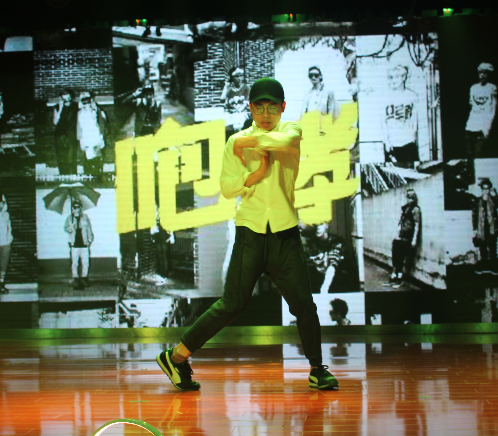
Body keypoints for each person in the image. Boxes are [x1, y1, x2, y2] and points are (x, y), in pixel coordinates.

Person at [156, 77, 338, 391]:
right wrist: (255, 174)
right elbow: (228, 188)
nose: (265, 113)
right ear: (251, 108)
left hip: (284, 236)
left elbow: (279, 142)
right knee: (231, 304)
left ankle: (316, 369)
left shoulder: (292, 131)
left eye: (272, 107)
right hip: (250, 234)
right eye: (259, 107)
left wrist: (247, 143)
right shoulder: (235, 143)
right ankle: (176, 357)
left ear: (283, 107)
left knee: (304, 305)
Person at [381, 64, 420, 167]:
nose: (393, 80)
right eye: (391, 77)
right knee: (394, 170)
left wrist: (413, 136)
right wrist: (386, 142)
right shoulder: (386, 97)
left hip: (408, 141)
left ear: (404, 77)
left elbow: (414, 119)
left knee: (411, 168)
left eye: (397, 77)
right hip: (392, 142)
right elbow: (383, 121)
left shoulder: (412, 96)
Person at [465, 63, 497, 159]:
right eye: (480, 73)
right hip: (472, 124)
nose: (482, 75)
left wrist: (487, 127)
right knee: (470, 151)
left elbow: (493, 107)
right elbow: (471, 104)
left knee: (479, 152)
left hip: (483, 123)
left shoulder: (492, 88)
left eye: (485, 73)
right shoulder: (473, 88)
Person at [389, 188, 421, 285]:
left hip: (408, 235)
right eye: (409, 197)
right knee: (395, 250)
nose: (410, 199)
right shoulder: (405, 208)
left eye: (412, 197)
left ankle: (399, 274)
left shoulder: (415, 209)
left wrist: (414, 239)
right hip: (401, 234)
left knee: (401, 253)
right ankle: (395, 272)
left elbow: (417, 225)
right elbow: (401, 221)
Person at [473, 178, 498, 263]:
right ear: (481, 189)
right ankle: (485, 265)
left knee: (493, 247)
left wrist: (495, 195)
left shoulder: (493, 200)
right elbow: (474, 216)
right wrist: (475, 229)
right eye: (484, 188)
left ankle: (494, 265)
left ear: (490, 189)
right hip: (481, 228)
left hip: (492, 227)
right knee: (482, 248)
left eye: (487, 188)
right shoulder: (478, 201)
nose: (486, 191)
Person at [65, 200, 94, 290]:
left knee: (86, 263)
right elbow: (66, 228)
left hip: (84, 244)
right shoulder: (69, 218)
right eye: (74, 207)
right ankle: (76, 279)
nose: (76, 209)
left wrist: (89, 240)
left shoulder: (85, 217)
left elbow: (89, 229)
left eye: (78, 207)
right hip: (74, 245)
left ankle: (84, 278)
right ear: (72, 208)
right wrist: (71, 227)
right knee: (74, 263)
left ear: (80, 208)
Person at [77, 92, 107, 176]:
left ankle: (98, 174)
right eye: (84, 103)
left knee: (97, 156)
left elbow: (102, 124)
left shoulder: (96, 112)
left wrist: (101, 137)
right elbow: (79, 127)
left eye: (88, 102)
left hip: (96, 137)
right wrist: (81, 139)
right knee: (88, 157)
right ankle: (88, 174)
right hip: (86, 137)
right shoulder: (80, 113)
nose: (86, 105)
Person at [53, 90, 79, 175]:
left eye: (68, 98)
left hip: (72, 134)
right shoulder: (57, 107)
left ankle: (73, 175)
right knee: (61, 156)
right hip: (60, 136)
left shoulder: (76, 106)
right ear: (61, 98)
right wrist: (60, 108)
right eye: (64, 99)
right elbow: (55, 122)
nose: (67, 101)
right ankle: (63, 175)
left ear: (71, 97)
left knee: (72, 156)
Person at [220, 67, 251, 132]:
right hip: (230, 113)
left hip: (241, 113)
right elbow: (222, 99)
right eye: (237, 76)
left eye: (240, 76)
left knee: (237, 127)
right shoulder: (230, 90)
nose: (239, 78)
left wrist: (237, 111)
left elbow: (246, 103)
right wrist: (226, 86)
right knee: (223, 127)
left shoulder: (246, 88)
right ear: (233, 78)